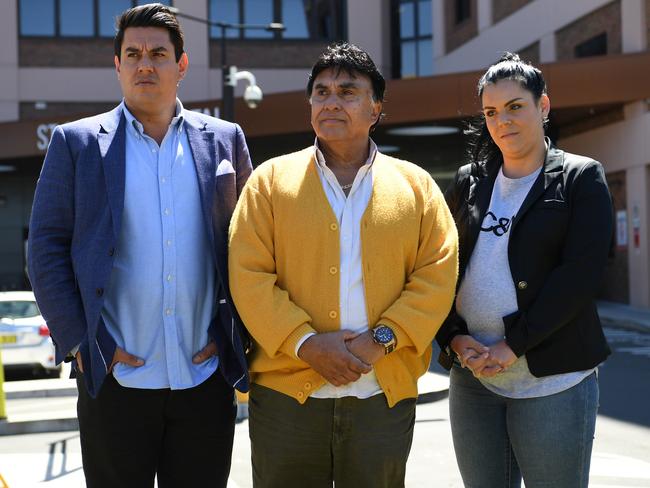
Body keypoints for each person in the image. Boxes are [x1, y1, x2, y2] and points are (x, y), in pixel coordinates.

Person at [27, 4, 252, 487]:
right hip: (114, 379)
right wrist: (80, 343)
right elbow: (45, 248)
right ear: (117, 65)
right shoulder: (78, 143)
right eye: (132, 53)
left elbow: (250, 245)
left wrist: (234, 335)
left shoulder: (224, 141)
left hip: (204, 375)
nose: (144, 64)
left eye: (157, 53)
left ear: (182, 65)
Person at [228, 42, 458, 488]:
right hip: (286, 398)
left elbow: (437, 273)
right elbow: (248, 274)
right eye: (321, 91)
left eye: (348, 91)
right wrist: (306, 344)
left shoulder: (416, 186)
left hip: (381, 396)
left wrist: (381, 340)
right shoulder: (270, 182)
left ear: (375, 109)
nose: (331, 101)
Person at [436, 52, 613, 488]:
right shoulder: (470, 180)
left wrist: (513, 345)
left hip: (553, 380)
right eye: (491, 112)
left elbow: (581, 275)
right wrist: (453, 337)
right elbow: (438, 266)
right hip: (474, 377)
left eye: (515, 106)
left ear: (544, 106)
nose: (502, 121)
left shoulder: (580, 177)